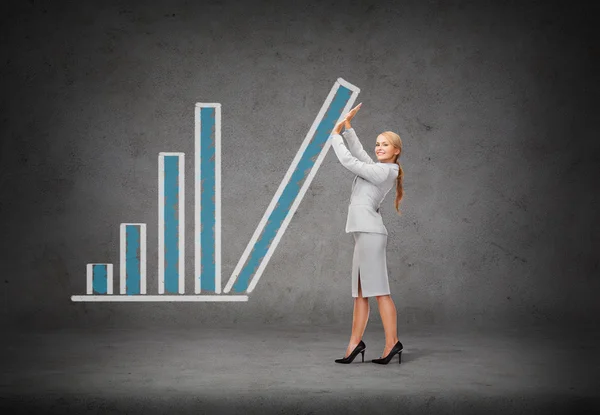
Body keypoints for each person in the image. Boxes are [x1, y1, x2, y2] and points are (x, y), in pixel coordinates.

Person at [329, 103, 405, 365]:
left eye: (385, 144)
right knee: (360, 293)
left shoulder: (385, 171)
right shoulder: (379, 168)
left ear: (396, 151)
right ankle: (354, 345)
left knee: (380, 291)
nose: (379, 147)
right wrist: (349, 128)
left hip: (371, 233)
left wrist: (334, 135)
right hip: (364, 232)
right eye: (378, 143)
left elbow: (350, 161)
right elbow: (361, 155)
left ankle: (392, 343)